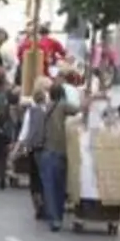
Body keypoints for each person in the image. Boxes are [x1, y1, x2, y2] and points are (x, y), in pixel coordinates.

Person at [35, 82, 85, 231]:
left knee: (49, 187)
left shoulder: (46, 107)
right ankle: (58, 215)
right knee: (60, 186)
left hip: (45, 150)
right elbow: (79, 110)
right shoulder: (63, 106)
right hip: (60, 151)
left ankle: (54, 218)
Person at [14, 81, 52, 219]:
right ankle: (46, 203)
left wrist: (16, 149)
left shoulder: (31, 112)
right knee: (45, 178)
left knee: (35, 178)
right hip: (47, 148)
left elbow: (24, 133)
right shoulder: (50, 111)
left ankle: (38, 203)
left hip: (33, 148)